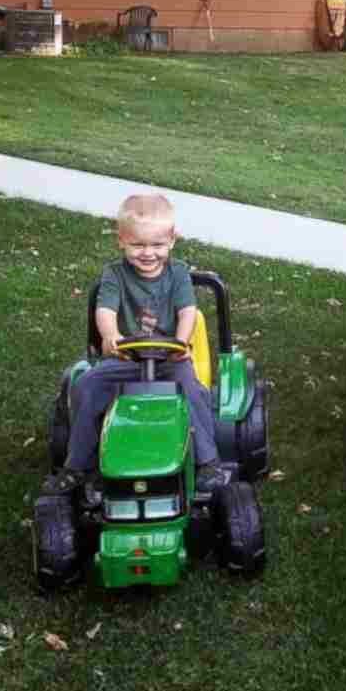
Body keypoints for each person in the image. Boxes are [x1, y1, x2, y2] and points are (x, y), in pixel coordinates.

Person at [43, 193, 231, 494]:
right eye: (138, 245)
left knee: (194, 391)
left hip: (171, 362)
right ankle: (78, 465)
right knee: (86, 386)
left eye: (157, 245)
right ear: (122, 240)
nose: (148, 253)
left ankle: (209, 462)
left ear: (172, 241)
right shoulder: (115, 275)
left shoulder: (178, 273)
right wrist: (110, 336)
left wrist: (181, 343)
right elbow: (105, 311)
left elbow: (187, 313)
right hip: (125, 361)